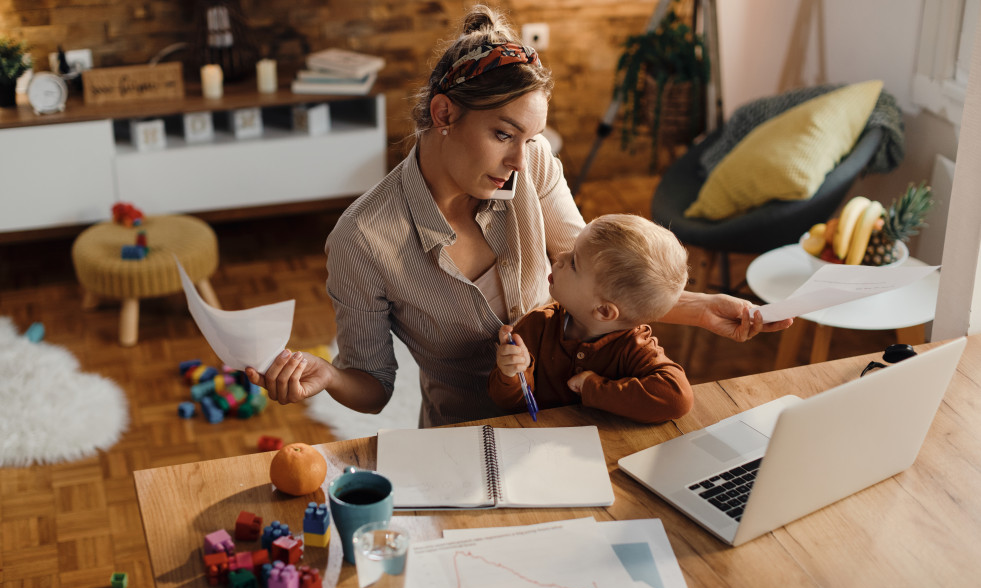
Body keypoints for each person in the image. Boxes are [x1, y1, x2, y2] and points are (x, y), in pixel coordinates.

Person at [246, 4, 791, 427]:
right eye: (504, 134)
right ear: (444, 114)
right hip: (465, 438)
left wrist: (696, 309)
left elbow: (596, 270)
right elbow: (374, 387)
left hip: (572, 421)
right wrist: (330, 377)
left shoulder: (531, 162)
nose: (518, 160)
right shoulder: (363, 240)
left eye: (529, 139)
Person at [490, 214, 693, 423]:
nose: (559, 257)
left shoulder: (635, 347)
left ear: (604, 311)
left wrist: (594, 388)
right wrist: (511, 373)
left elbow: (678, 399)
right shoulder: (536, 326)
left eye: (574, 263)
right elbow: (506, 402)